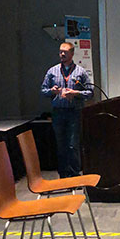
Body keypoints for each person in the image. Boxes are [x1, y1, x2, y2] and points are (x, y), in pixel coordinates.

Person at [40, 41, 92, 177]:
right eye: (60, 51)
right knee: (61, 145)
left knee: (72, 145)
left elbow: (90, 92)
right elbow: (43, 91)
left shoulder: (81, 72)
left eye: (65, 52)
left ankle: (75, 175)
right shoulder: (52, 71)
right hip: (58, 113)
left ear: (72, 53)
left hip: (74, 112)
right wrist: (52, 91)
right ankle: (63, 175)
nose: (62, 54)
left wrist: (76, 93)